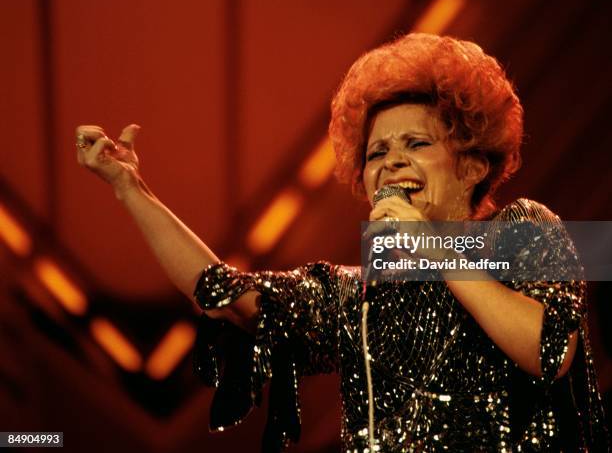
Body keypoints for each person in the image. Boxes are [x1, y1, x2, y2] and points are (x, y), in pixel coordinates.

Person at [76, 33, 608, 452]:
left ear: (471, 165)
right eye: (376, 154)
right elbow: (222, 290)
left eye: (416, 144)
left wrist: (430, 247)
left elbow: (551, 348)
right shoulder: (358, 299)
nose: (391, 161)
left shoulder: (520, 229)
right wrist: (130, 188)